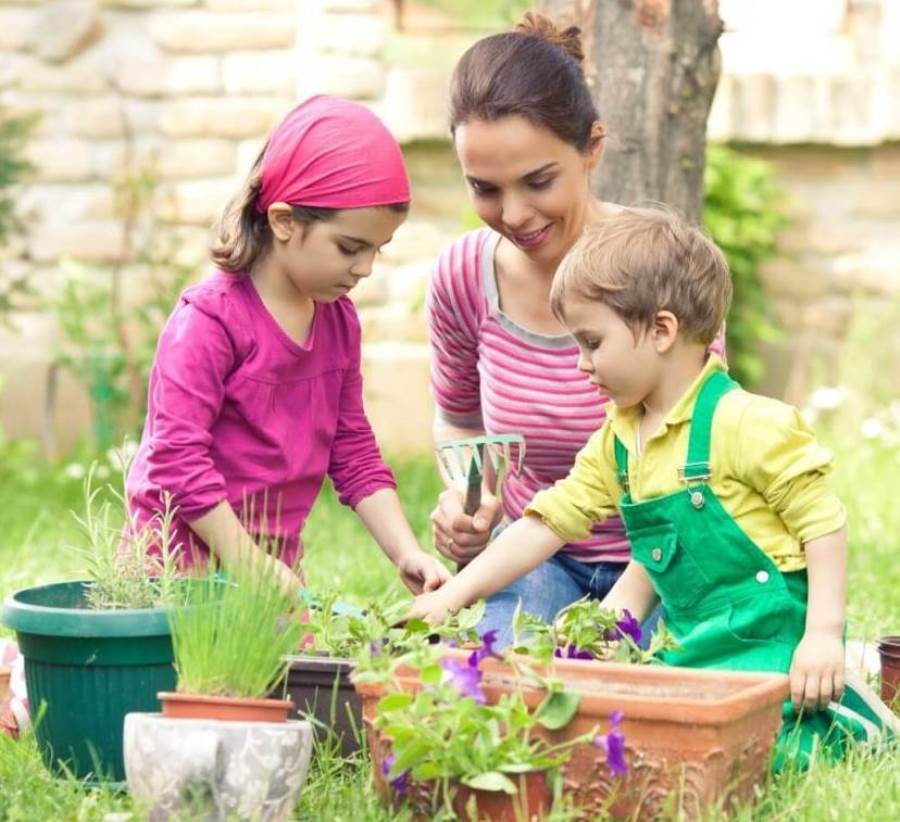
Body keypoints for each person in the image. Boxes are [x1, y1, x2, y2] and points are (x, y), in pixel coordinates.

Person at [411, 207, 898, 768]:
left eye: (592, 343)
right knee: (648, 744)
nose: (580, 365)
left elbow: (823, 523)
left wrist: (822, 636)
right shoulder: (619, 440)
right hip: (693, 644)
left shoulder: (745, 422)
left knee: (769, 756)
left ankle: (858, 716)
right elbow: (549, 527)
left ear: (662, 330)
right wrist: (453, 598)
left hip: (774, 641)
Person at [427, 12, 723, 646]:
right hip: (539, 553)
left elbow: (702, 462)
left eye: (538, 182)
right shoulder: (462, 276)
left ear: (593, 146)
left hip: (664, 559)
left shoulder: (660, 268)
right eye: (484, 188)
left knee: (660, 688)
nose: (512, 214)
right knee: (499, 677)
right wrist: (471, 503)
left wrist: (613, 622)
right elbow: (458, 418)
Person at [125, 95, 449, 598]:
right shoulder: (208, 322)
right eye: (349, 247)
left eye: (376, 250)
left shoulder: (337, 320)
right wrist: (247, 562)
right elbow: (176, 460)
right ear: (283, 222)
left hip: (268, 574)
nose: (365, 268)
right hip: (174, 573)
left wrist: (406, 550)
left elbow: (353, 447)